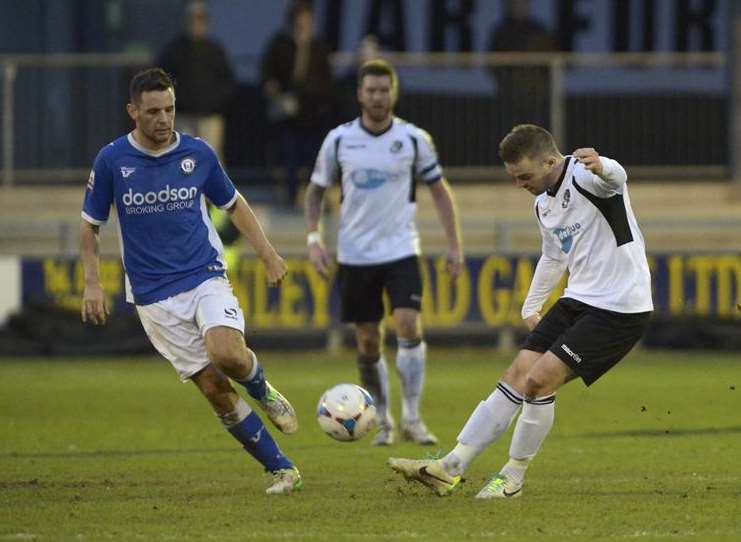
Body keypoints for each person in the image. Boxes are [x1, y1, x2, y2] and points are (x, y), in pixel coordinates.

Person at [389, 124, 653, 497]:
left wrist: (604, 165)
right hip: (579, 298)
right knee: (517, 374)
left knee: (539, 381)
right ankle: (450, 466)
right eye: (513, 177)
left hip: (621, 305)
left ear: (550, 161)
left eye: (524, 176)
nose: (519, 184)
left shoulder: (585, 177)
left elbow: (616, 179)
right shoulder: (542, 202)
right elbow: (553, 254)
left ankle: (513, 476)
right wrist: (531, 304)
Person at [79, 68, 302, 495]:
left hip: (204, 275)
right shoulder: (112, 161)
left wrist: (269, 253)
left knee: (229, 355)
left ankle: (263, 389)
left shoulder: (197, 154)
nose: (164, 119)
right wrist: (92, 284)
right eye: (153, 111)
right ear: (133, 112)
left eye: (170, 109)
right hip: (153, 296)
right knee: (214, 388)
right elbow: (89, 227)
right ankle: (282, 468)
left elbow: (234, 205)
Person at [305, 59, 465, 446]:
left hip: (400, 249)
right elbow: (316, 191)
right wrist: (314, 238)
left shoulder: (414, 139)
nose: (377, 96)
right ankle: (383, 419)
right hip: (356, 254)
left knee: (409, 324)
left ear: (394, 93)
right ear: (360, 94)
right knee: (367, 341)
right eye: (370, 90)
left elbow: (439, 191)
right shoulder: (339, 140)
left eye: (384, 89)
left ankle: (412, 416)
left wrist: (454, 244)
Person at [260, 0, 334, 209]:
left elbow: (326, 80)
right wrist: (273, 87)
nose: (304, 26)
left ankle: (317, 198)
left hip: (313, 114)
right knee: (289, 156)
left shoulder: (319, 48)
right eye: (300, 21)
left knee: (316, 159)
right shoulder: (280, 45)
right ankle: (291, 196)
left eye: (307, 21)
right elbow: (268, 73)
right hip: (288, 113)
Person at [158, 0, 235, 162]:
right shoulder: (173, 51)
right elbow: (162, 80)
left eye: (200, 19)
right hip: (182, 117)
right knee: (182, 160)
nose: (196, 23)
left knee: (211, 161)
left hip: (210, 118)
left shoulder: (215, 51)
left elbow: (227, 81)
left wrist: (215, 103)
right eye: (192, 19)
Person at [488, 0, 557, 129]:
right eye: (515, 4)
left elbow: (550, 59)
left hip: (535, 94)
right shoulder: (502, 32)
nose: (518, 7)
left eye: (522, 4)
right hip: (509, 94)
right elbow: (492, 62)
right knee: (510, 132)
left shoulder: (538, 30)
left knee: (536, 133)